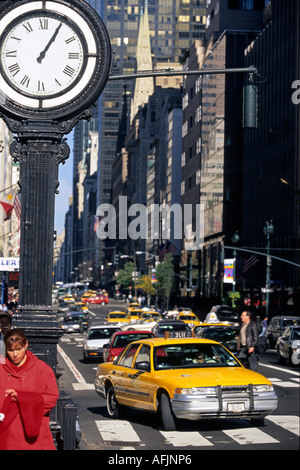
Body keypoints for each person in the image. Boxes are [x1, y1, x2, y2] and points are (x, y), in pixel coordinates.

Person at [0, 328, 59, 450]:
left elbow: (52, 398)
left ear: (26, 345)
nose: (15, 354)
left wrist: (21, 398)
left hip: (33, 435)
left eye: (19, 349)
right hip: (7, 435)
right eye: (10, 350)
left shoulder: (42, 369)